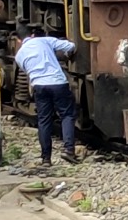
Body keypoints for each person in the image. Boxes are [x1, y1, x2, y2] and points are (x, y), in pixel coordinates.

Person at [13, 25, 79, 166]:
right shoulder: (44, 41)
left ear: (18, 41)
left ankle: (46, 159)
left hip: (39, 86)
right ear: (32, 35)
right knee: (67, 115)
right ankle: (68, 151)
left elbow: (27, 70)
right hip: (57, 83)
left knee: (44, 120)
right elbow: (70, 46)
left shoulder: (19, 56)